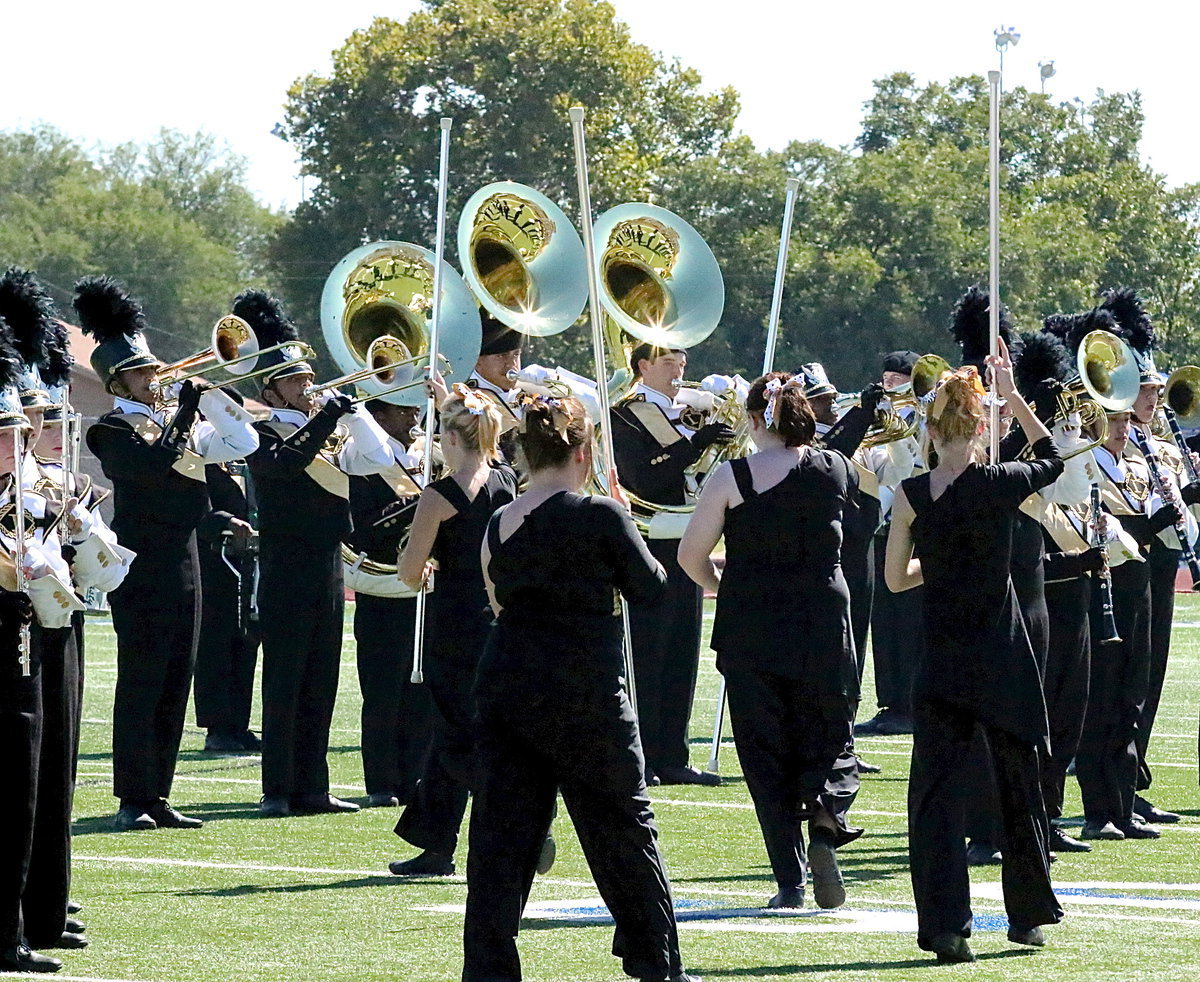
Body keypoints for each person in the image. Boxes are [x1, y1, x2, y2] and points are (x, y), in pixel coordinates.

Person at [464, 393, 699, 982]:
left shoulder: (500, 520)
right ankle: (654, 960)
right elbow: (653, 590)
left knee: (499, 842)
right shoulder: (599, 513)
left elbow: (498, 601)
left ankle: (488, 970)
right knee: (623, 825)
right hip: (584, 688)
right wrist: (621, 523)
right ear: (584, 450)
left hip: (507, 682)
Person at [886, 343, 1064, 963]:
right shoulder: (1000, 483)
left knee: (936, 796)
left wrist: (940, 566)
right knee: (1020, 784)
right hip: (1003, 656)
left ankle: (943, 927)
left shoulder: (911, 494)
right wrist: (1013, 394)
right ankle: (1028, 915)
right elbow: (1051, 458)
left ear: (931, 430)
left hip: (942, 659)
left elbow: (894, 579)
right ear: (979, 426)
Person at [79, 276, 258, 833]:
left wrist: (214, 403)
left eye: (155, 370)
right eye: (143, 373)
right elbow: (153, 469)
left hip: (187, 559)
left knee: (178, 676)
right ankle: (133, 796)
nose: (155, 379)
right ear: (117, 380)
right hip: (143, 564)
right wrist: (181, 414)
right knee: (143, 679)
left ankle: (159, 793)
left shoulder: (173, 422)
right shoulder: (109, 430)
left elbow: (243, 443)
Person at [679, 373, 861, 911]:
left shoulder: (731, 477)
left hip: (752, 627)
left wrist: (723, 589)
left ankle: (789, 880)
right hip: (824, 621)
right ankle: (826, 827)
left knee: (765, 753)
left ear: (756, 420)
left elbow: (692, 556)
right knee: (832, 736)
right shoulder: (836, 467)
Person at [237, 290, 392, 818]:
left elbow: (377, 458)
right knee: (284, 677)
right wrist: (325, 418)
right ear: (271, 390)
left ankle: (313, 785)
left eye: (309, 378)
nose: (308, 387)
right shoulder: (259, 434)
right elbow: (282, 466)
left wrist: (359, 410)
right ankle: (276, 787)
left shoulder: (326, 434)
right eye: (296, 381)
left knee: (322, 676)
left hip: (329, 562)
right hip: (284, 565)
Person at [390, 384, 517, 876]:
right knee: (458, 733)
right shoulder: (506, 482)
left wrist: (419, 567)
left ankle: (516, 816)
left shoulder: (438, 497)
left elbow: (407, 570)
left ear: (449, 437)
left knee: (457, 736)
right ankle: (435, 843)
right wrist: (450, 397)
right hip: (498, 619)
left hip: (453, 625)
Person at [610, 343, 733, 786]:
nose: (678, 372)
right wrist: (696, 444)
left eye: (682, 363)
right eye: (667, 363)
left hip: (686, 533)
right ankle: (640, 755)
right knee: (648, 648)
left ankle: (673, 754)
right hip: (649, 539)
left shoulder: (687, 412)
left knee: (683, 646)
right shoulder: (625, 414)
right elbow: (644, 474)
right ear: (641, 366)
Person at [1077, 407, 1181, 840]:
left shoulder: (1139, 467)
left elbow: (1173, 532)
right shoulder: (1085, 468)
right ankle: (1096, 809)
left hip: (1140, 590)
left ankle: (1122, 803)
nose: (1122, 431)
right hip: (1105, 590)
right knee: (1101, 697)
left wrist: (1173, 512)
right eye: (1114, 422)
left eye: (1125, 423)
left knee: (1132, 696)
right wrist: (1139, 530)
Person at [346, 399, 434, 807]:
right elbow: (364, 525)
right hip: (381, 584)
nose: (413, 418)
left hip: (423, 584)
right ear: (377, 418)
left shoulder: (425, 454)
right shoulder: (361, 459)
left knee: (422, 691)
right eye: (401, 412)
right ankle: (381, 781)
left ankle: (415, 775)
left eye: (413, 410)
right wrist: (423, 502)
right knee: (383, 689)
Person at [860, 352, 924, 739]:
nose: (889, 386)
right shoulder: (882, 419)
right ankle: (891, 702)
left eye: (896, 379)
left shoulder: (925, 417)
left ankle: (912, 701)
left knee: (912, 620)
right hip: (883, 529)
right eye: (885, 378)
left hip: (917, 528)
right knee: (884, 623)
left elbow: (915, 465)